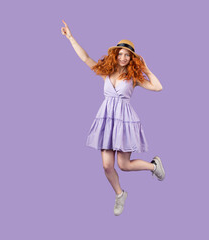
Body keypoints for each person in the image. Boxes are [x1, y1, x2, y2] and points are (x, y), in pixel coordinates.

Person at [61, 20, 165, 216]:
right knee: (107, 166)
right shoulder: (106, 72)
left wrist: (147, 69)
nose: (124, 57)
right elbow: (86, 58)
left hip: (125, 122)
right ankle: (120, 194)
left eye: (128, 55)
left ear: (132, 58)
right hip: (107, 119)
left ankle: (153, 165)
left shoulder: (135, 77)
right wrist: (71, 38)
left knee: (124, 165)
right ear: (115, 55)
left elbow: (158, 87)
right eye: (121, 54)